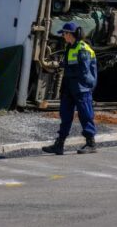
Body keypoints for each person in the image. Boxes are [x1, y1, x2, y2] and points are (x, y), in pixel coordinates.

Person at [43, 21, 98, 155]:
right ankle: (59, 144)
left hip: (81, 88)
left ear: (70, 34)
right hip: (70, 87)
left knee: (85, 115)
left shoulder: (83, 49)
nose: (63, 36)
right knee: (65, 115)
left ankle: (91, 143)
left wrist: (66, 67)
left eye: (64, 34)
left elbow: (84, 72)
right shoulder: (71, 47)